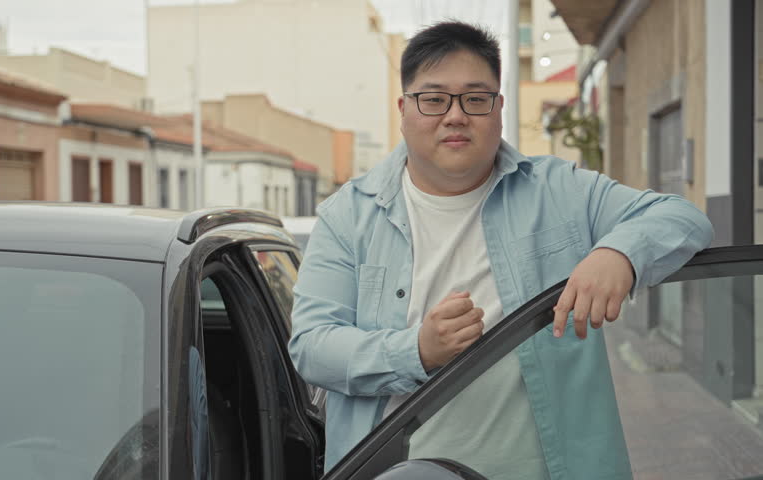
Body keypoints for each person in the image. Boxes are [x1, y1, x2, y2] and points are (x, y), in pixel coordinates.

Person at [288, 21, 713, 479]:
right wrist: (417, 351)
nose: (455, 116)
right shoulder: (349, 215)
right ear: (404, 108)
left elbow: (682, 217)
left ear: (499, 107)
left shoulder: (558, 191)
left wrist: (619, 254)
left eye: (475, 99)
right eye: (434, 99)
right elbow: (312, 346)